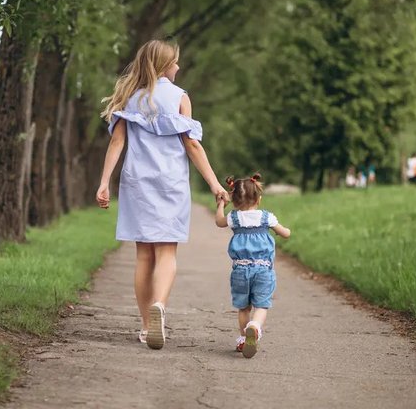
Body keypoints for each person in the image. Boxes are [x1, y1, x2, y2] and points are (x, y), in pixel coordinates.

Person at [96, 39, 228, 350]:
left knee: (143, 255)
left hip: (137, 182)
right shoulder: (180, 97)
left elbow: (116, 144)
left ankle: (145, 325)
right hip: (170, 182)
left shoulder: (130, 97)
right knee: (166, 253)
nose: (179, 67)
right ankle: (160, 307)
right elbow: (192, 145)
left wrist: (104, 182)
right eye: (176, 62)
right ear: (165, 65)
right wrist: (214, 184)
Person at [215, 173, 291, 358]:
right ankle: (255, 327)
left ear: (234, 200)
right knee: (261, 305)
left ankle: (243, 338)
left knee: (243, 307)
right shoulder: (267, 217)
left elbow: (219, 222)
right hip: (263, 269)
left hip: (240, 270)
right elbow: (285, 233)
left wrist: (220, 205)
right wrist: (284, 231)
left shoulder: (234, 217)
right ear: (259, 198)